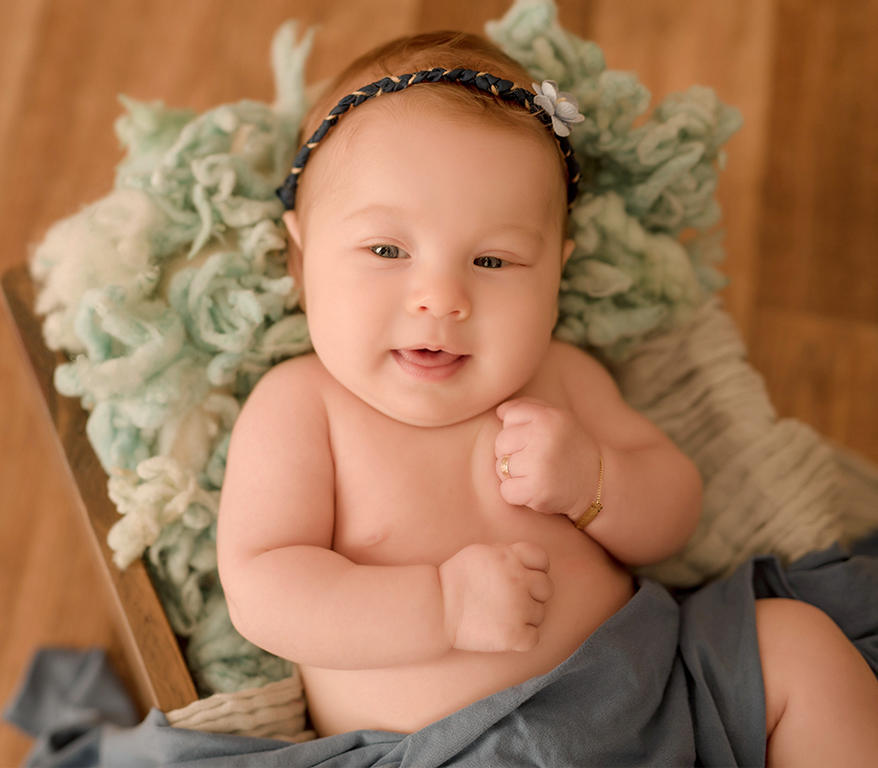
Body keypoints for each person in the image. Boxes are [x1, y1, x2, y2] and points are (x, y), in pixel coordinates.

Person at [216, 30, 878, 765]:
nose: (440, 297)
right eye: (386, 250)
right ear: (301, 256)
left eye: (492, 259)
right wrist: (441, 607)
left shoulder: (562, 378)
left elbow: (675, 514)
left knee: (799, 646)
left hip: (659, 686)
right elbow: (264, 591)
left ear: (556, 274)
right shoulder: (301, 407)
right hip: (462, 748)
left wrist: (595, 483)